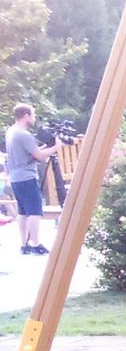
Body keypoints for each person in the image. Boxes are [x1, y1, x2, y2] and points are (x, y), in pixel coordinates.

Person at [7, 105, 58, 256]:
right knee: (34, 211)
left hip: (16, 177)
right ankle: (35, 244)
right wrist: (57, 146)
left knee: (23, 212)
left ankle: (24, 244)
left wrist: (46, 146)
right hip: (27, 177)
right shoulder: (24, 135)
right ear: (26, 115)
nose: (34, 118)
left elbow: (31, 152)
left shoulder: (12, 132)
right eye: (33, 115)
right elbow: (40, 157)